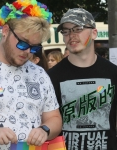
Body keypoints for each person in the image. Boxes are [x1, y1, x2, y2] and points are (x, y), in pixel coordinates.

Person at [0, 0, 62, 149]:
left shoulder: (39, 74)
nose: (27, 51)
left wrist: (45, 129)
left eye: (34, 47)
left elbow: (54, 117)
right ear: (5, 31)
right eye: (23, 43)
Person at [47, 8, 117, 150]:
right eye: (66, 31)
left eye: (77, 29)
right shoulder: (51, 77)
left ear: (94, 33)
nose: (71, 35)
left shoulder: (113, 73)